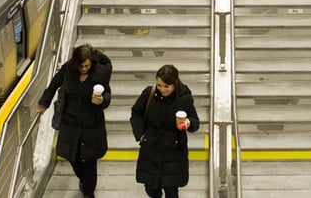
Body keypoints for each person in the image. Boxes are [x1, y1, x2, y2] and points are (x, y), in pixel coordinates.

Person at [36, 44, 113, 198]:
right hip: (70, 121)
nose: (83, 69)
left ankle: (89, 192)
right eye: (81, 65)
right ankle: (84, 182)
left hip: (91, 123)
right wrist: (43, 102)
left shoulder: (100, 74)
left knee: (90, 162)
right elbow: (54, 84)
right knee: (73, 158)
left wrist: (102, 100)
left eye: (86, 65)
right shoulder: (68, 70)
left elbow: (107, 94)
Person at [130, 64, 200, 198]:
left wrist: (187, 122)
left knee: (171, 191)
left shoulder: (183, 98)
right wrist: (141, 135)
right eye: (159, 85)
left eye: (166, 86)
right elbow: (136, 113)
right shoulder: (149, 93)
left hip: (173, 151)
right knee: (150, 188)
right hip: (151, 148)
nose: (162, 89)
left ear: (174, 84)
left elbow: (195, 121)